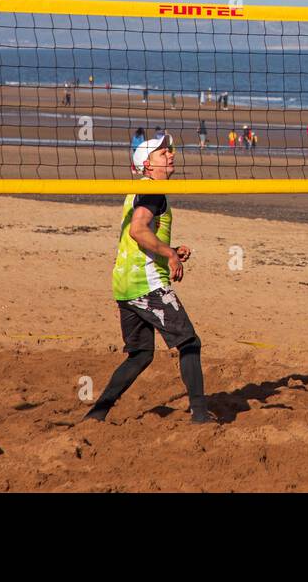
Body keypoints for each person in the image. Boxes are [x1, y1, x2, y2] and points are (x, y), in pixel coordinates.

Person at [82, 134, 213, 425]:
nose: (170, 155)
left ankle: (96, 414)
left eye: (170, 150)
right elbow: (138, 230)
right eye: (162, 152)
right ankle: (201, 415)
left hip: (124, 284)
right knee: (189, 341)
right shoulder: (152, 191)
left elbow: (140, 235)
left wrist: (171, 248)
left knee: (141, 355)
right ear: (147, 164)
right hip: (147, 284)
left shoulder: (137, 190)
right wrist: (169, 254)